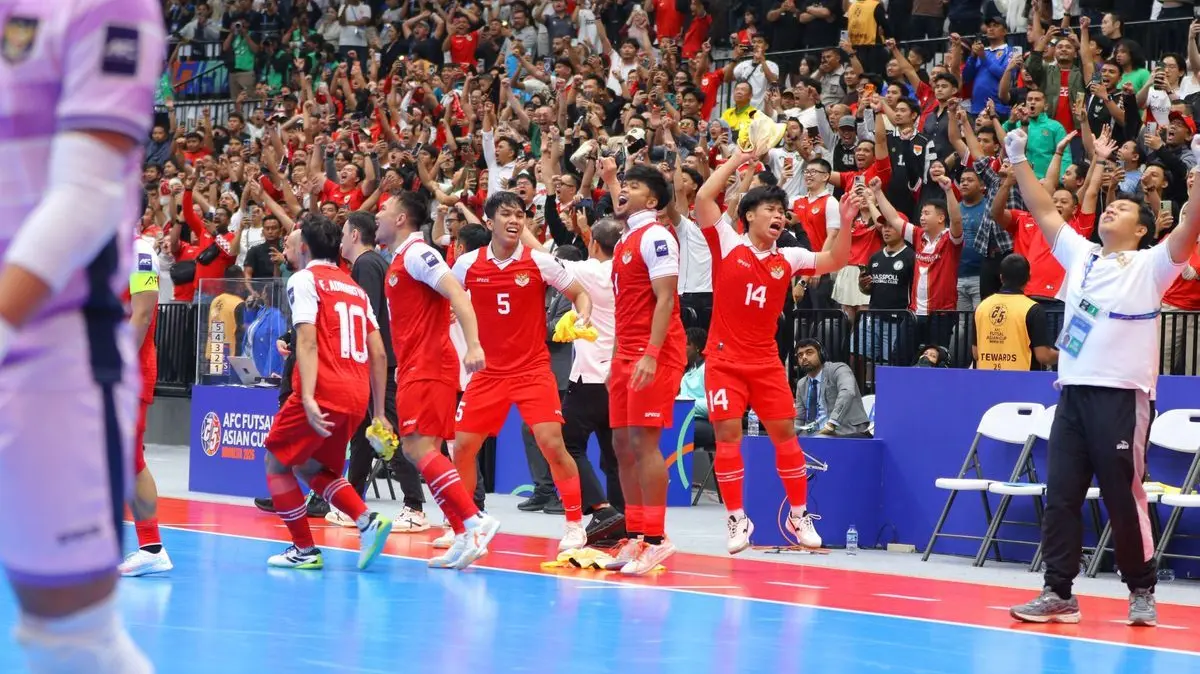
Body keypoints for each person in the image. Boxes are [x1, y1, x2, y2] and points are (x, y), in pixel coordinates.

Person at [0, 3, 164, 670]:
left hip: (52, 359)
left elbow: (88, 197)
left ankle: (152, 544)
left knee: (66, 637)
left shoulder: (104, 6)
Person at [1004, 128, 1200, 627]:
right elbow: (1045, 211)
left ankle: (1141, 589)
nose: (1111, 210)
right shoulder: (1082, 255)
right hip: (1071, 394)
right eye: (1110, 207)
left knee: (1122, 493)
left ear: (1141, 230)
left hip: (1123, 397)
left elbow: (1188, 229)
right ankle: (1058, 592)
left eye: (1124, 210)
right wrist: (1020, 159)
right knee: (1061, 494)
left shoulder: (1154, 265)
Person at [694, 150, 852, 553]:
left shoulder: (790, 257)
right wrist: (739, 158)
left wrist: (846, 223)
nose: (779, 215)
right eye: (770, 209)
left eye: (783, 210)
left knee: (785, 436)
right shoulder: (727, 243)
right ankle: (736, 519)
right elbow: (703, 200)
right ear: (749, 215)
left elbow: (836, 258)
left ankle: (799, 516)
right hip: (725, 362)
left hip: (765, 363)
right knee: (728, 437)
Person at [450, 191, 592, 552]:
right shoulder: (467, 265)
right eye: (507, 215)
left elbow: (580, 293)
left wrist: (583, 313)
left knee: (552, 444)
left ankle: (575, 524)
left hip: (532, 370)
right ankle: (465, 527)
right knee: (463, 448)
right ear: (489, 221)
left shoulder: (540, 262)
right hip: (488, 373)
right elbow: (444, 300)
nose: (515, 221)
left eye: (520, 216)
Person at [261, 218, 393, 570]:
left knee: (276, 461)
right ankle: (366, 521)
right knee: (310, 465)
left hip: (322, 391)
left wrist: (305, 396)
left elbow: (305, 337)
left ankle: (304, 549)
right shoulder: (354, 288)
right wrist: (378, 412)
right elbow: (378, 353)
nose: (288, 247)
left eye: (292, 241)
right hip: (355, 395)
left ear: (305, 246)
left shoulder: (304, 280)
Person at [377, 192, 500, 570]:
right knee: (425, 450)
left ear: (401, 219)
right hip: (417, 364)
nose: (378, 215)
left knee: (416, 448)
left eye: (384, 210)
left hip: (428, 364)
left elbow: (458, 294)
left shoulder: (417, 254)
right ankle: (464, 532)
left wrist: (475, 344)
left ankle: (475, 520)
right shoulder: (400, 257)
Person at [599, 160, 688, 575]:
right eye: (623, 185)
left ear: (651, 200)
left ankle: (656, 537)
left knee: (644, 443)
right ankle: (634, 535)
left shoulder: (656, 237)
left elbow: (666, 299)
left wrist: (651, 354)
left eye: (632, 186)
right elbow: (624, 306)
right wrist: (616, 356)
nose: (622, 190)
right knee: (621, 445)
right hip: (625, 354)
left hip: (656, 352)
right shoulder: (623, 241)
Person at [522, 218, 627, 544]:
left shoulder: (591, 272)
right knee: (614, 455)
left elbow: (542, 254)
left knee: (566, 443)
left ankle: (603, 510)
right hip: (619, 374)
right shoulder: (627, 272)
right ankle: (620, 525)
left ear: (593, 244)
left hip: (592, 376)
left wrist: (517, 220)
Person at [333, 211, 429, 533]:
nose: (342, 240)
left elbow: (368, 319)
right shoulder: (370, 264)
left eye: (344, 233)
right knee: (362, 436)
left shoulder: (366, 265)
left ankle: (414, 506)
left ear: (356, 235)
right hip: (375, 365)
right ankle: (353, 503)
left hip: (381, 366)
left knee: (389, 433)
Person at [119, 232, 172, 577]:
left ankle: (152, 547)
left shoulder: (141, 253)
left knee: (130, 458)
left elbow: (143, 313)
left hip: (129, 371)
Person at [972, 253, 1059, 371]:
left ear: (1001, 277)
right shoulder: (1033, 309)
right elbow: (1043, 356)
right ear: (1029, 277)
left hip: (986, 382)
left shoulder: (981, 307)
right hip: (1022, 383)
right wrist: (1065, 356)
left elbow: (976, 353)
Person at [793, 339, 872, 438]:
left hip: (846, 431)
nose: (804, 357)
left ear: (821, 354)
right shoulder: (802, 384)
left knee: (819, 440)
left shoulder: (839, 369)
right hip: (814, 433)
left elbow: (847, 392)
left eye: (809, 352)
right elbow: (800, 418)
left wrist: (832, 423)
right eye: (800, 355)